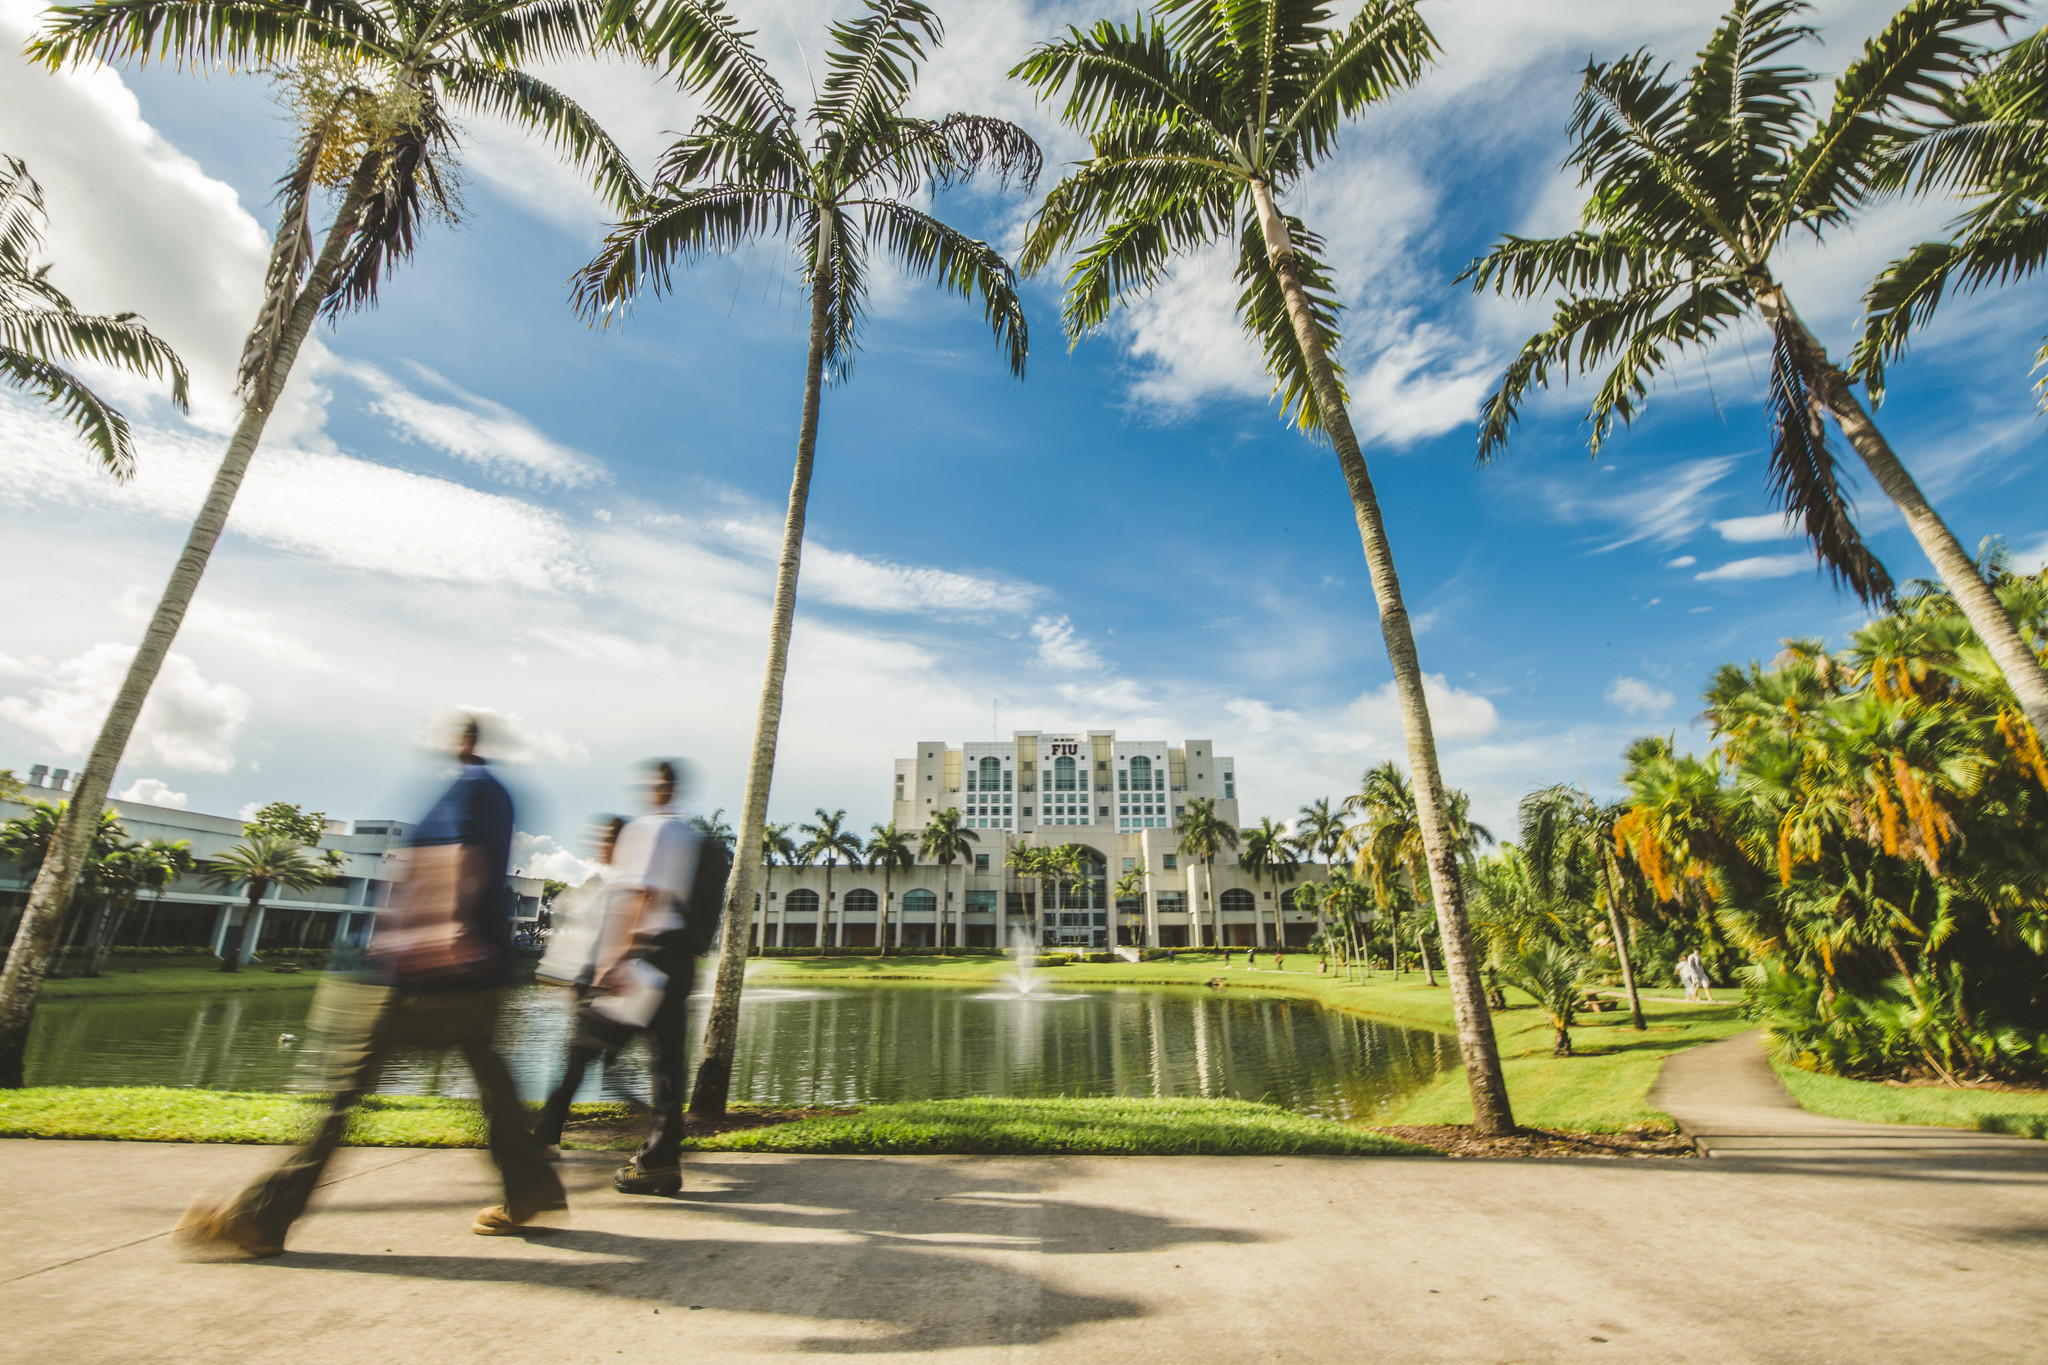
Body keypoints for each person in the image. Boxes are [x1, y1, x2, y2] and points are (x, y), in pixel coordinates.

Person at [176, 717, 564, 1258]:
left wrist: (433, 932)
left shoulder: (469, 790)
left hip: (426, 971)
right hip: (472, 970)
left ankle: (258, 1219)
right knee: (493, 1087)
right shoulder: (493, 793)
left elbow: (457, 861)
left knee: (343, 1093)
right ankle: (530, 1191)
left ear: (466, 741)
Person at [539, 760, 726, 1197]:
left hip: (645, 959)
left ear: (661, 788)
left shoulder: (650, 831)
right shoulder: (689, 837)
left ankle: (539, 1144)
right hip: (676, 963)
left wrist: (617, 959)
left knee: (584, 1047)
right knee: (665, 1065)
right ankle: (660, 1162)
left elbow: (642, 894)